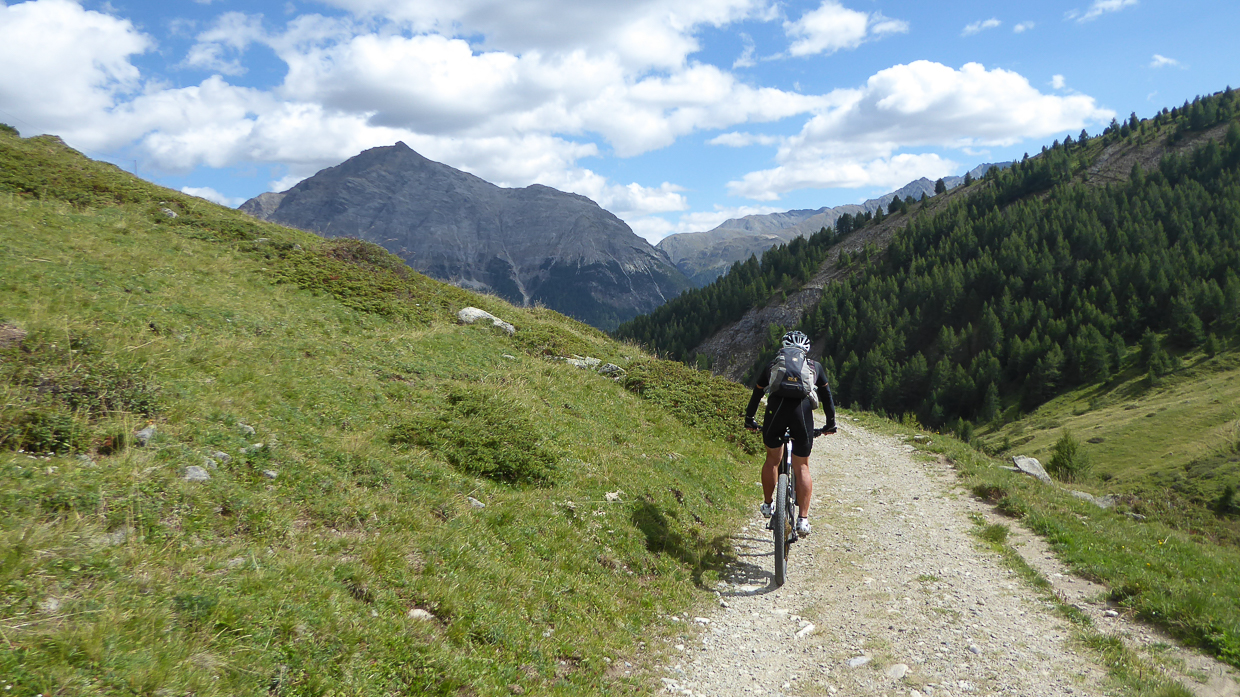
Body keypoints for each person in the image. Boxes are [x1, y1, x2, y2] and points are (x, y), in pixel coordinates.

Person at [744, 330, 836, 536]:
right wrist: (830, 424)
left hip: (775, 410)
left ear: (784, 348)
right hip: (802, 412)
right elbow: (827, 397)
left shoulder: (772, 365)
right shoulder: (815, 367)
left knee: (772, 460)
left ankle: (768, 504)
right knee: (802, 466)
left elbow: (757, 393)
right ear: (806, 350)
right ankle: (803, 520)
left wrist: (749, 419)